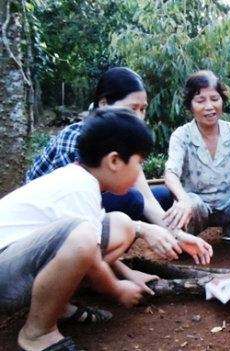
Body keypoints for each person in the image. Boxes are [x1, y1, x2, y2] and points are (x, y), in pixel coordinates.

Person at [0, 108, 206, 351]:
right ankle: (38, 333)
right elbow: (87, 249)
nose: (139, 172)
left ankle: (58, 306)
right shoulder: (79, 187)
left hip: (18, 265)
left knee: (121, 224)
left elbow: (93, 246)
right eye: (138, 163)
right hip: (6, 277)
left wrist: (129, 275)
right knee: (83, 236)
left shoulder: (82, 181)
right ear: (114, 161)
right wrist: (116, 288)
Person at [25, 67, 211, 263]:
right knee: (132, 199)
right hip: (47, 225)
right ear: (104, 103)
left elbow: (147, 198)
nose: (139, 117)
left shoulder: (123, 138)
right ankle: (94, 261)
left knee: (162, 196)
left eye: (143, 109)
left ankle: (111, 253)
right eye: (132, 108)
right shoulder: (77, 140)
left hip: (90, 208)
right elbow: (68, 215)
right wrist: (141, 229)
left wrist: (177, 235)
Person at [162, 70, 230, 249]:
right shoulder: (181, 135)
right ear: (190, 105)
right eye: (200, 101)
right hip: (196, 208)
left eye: (214, 98)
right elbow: (170, 174)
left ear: (222, 100)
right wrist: (183, 200)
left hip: (227, 204)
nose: (209, 106)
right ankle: (187, 241)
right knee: (190, 207)